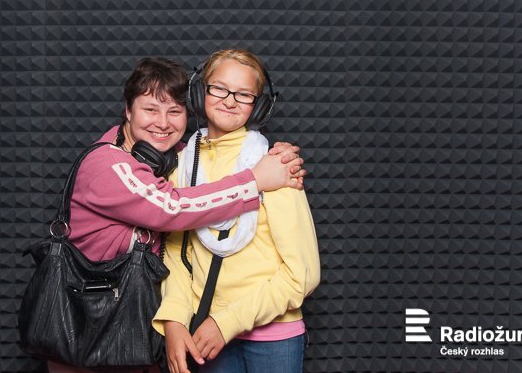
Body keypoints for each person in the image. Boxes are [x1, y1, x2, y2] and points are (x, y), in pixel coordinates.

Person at [47, 56, 306, 373]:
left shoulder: (178, 161)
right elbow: (173, 208)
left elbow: (205, 159)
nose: (163, 123)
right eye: (150, 109)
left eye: (174, 111)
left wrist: (278, 156)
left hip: (136, 332)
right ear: (128, 110)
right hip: (90, 328)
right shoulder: (109, 166)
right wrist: (256, 180)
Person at [153, 49, 320, 373]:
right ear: (200, 91)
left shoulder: (276, 167)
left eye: (244, 94)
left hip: (272, 337)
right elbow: (177, 255)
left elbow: (303, 275)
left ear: (258, 105)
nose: (230, 101)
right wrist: (173, 319)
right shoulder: (182, 166)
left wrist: (227, 321)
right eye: (219, 88)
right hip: (205, 332)